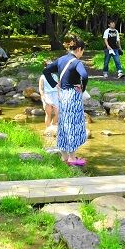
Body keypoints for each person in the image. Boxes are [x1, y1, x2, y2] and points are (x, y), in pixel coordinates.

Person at [42, 35, 89, 166]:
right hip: (73, 96)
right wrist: (82, 88)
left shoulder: (61, 59)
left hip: (62, 96)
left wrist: (54, 83)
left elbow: (46, 71)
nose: (82, 53)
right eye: (83, 51)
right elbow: (84, 75)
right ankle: (73, 158)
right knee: (73, 125)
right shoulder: (77, 62)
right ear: (79, 49)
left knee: (63, 125)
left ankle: (64, 156)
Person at [38, 60, 59, 127]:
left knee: (58, 113)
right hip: (47, 95)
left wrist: (60, 95)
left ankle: (53, 125)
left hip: (55, 94)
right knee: (48, 114)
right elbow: (41, 88)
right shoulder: (42, 77)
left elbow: (58, 86)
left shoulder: (55, 76)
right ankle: (48, 129)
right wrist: (43, 96)